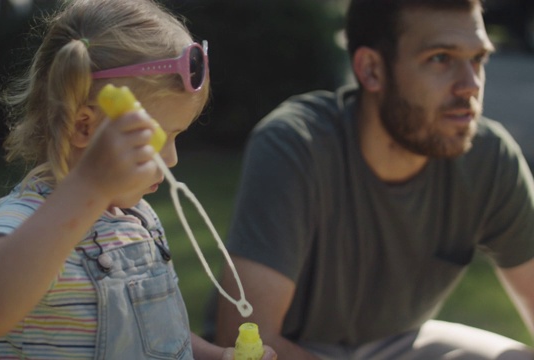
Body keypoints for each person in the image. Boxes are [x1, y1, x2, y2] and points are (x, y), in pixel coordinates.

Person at [208, 0, 534, 358]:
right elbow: (246, 343)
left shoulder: (490, 158)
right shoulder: (297, 145)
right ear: (371, 69)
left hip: (400, 343)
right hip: (293, 349)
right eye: (440, 58)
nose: (470, 85)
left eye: (478, 59)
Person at [0, 0, 277, 359]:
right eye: (155, 140)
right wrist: (88, 187)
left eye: (176, 137)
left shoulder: (137, 218)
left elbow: (158, 332)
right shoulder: (25, 219)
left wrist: (216, 357)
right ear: (84, 126)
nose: (171, 159)